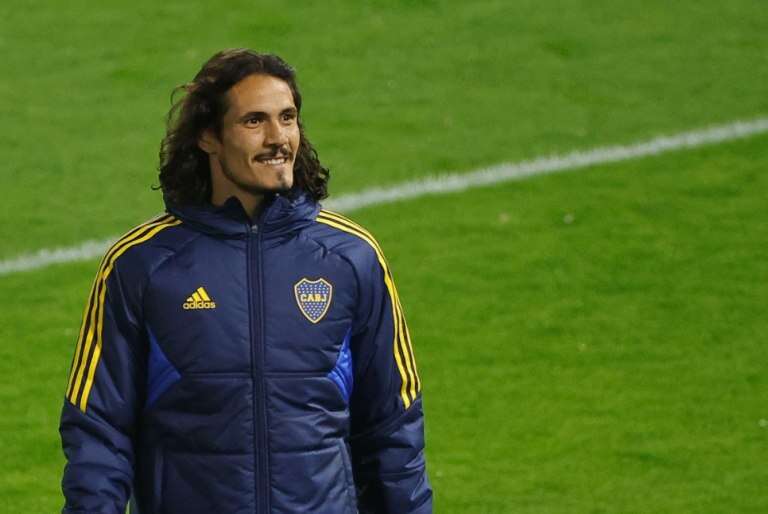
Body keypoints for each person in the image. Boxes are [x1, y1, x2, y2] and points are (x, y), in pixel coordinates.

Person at [60, 49, 432, 514]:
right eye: (254, 121)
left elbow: (393, 425)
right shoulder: (141, 265)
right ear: (208, 137)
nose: (278, 138)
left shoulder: (351, 258)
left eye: (288, 118)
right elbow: (99, 431)